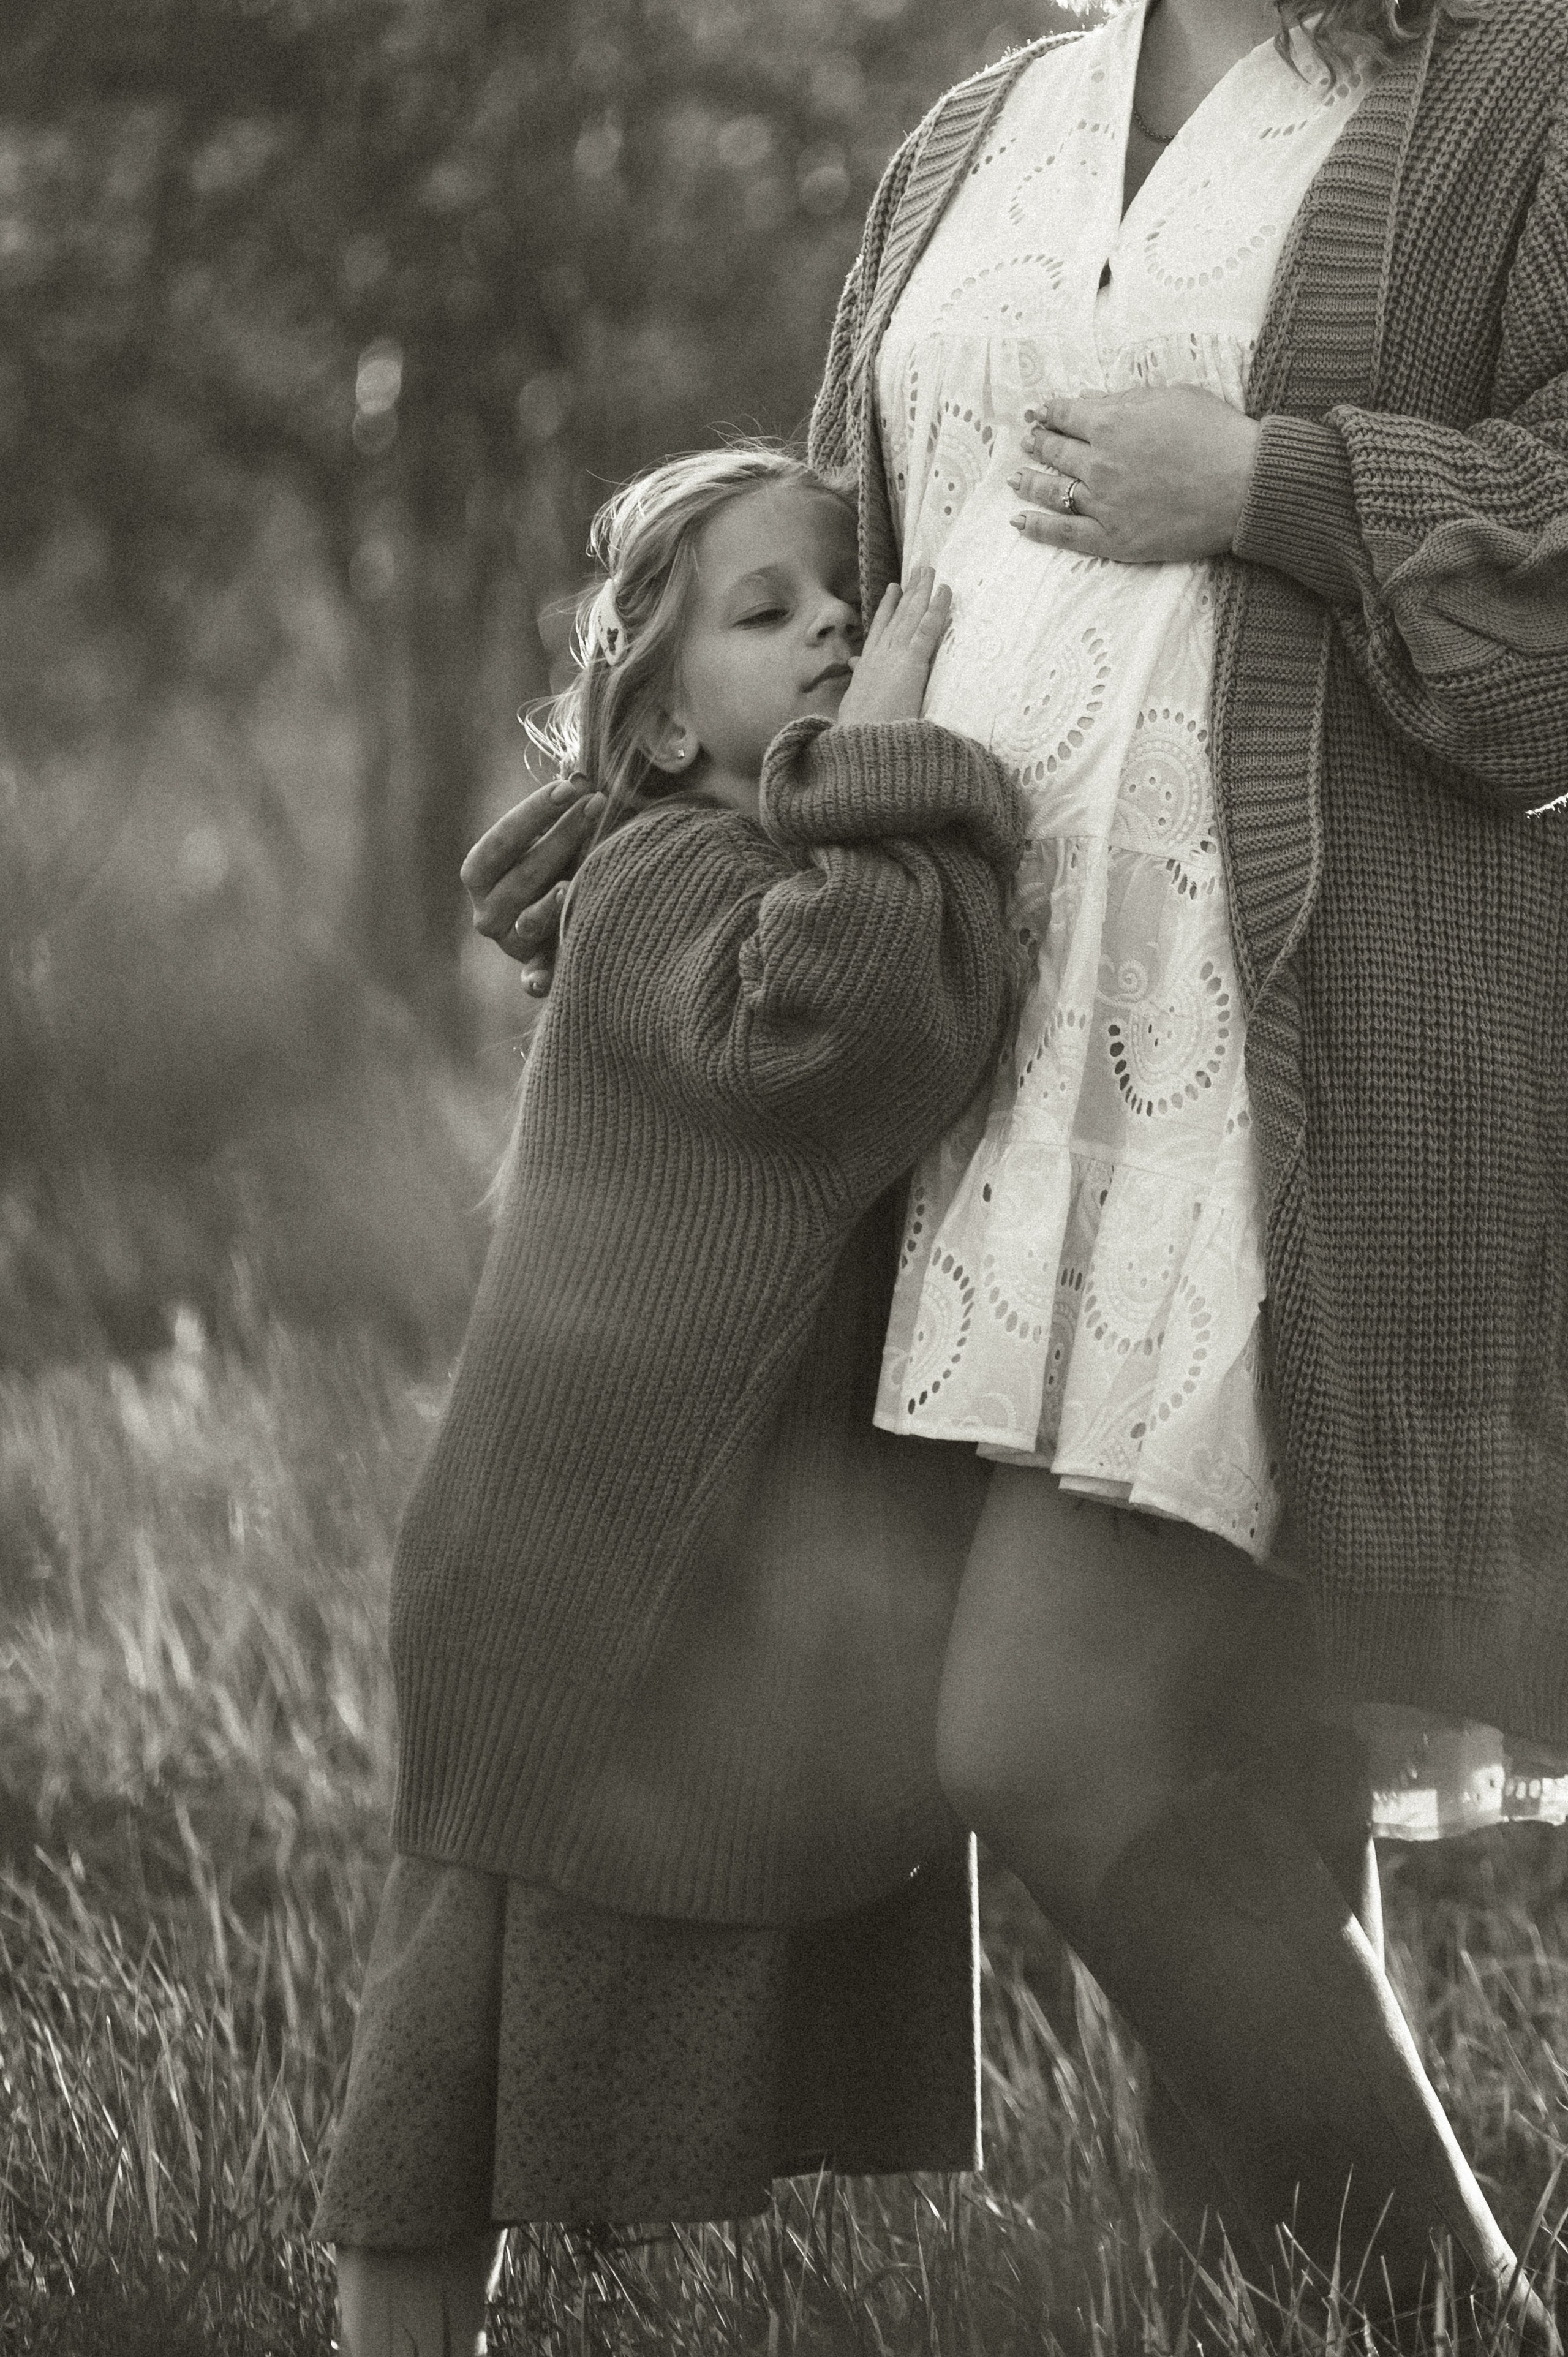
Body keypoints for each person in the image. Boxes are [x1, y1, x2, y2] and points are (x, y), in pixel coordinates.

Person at [467, 0, 1568, 2340]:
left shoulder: (1516, 89)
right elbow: (824, 568)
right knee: (1236, 1800)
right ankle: (1325, 2321)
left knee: (1045, 1733)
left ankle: (1465, 2321)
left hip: (1281, 1064)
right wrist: (645, 813)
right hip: (976, 1070)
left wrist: (1270, 481)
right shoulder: (991, 121)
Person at [315, 443, 1027, 2357]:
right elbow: (846, 1043)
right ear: (651, 723)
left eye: (850, 604)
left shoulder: (757, 863)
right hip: (566, 1583)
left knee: (504, 2013)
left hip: (660, 1576)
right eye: (769, 612)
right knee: (445, 2051)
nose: (834, 638)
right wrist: (888, 764)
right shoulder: (667, 883)